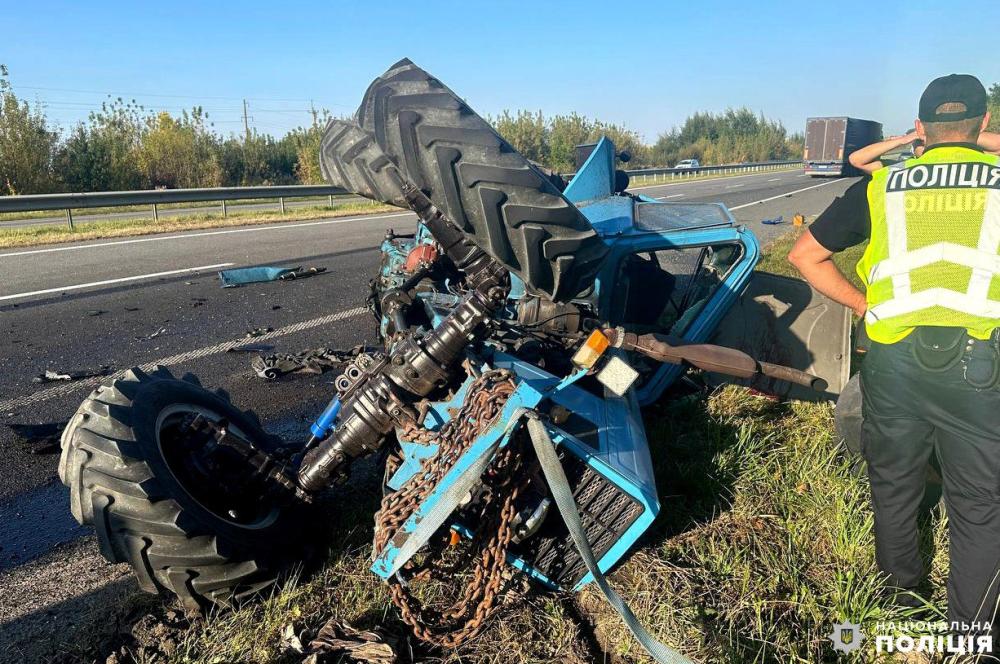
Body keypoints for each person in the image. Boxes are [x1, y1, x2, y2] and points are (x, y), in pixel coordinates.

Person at [788, 74, 1000, 640]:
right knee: (979, 506)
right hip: (982, 364)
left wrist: (863, 305)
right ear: (983, 124)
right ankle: (970, 642)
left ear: (921, 127)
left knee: (895, 486)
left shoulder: (884, 185)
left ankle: (901, 611)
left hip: (893, 359)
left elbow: (806, 256)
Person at [850, 128, 1000, 174]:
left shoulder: (960, 159)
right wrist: (902, 139)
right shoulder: (901, 168)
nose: (925, 144)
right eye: (920, 142)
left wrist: (945, 134)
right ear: (912, 147)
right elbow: (857, 160)